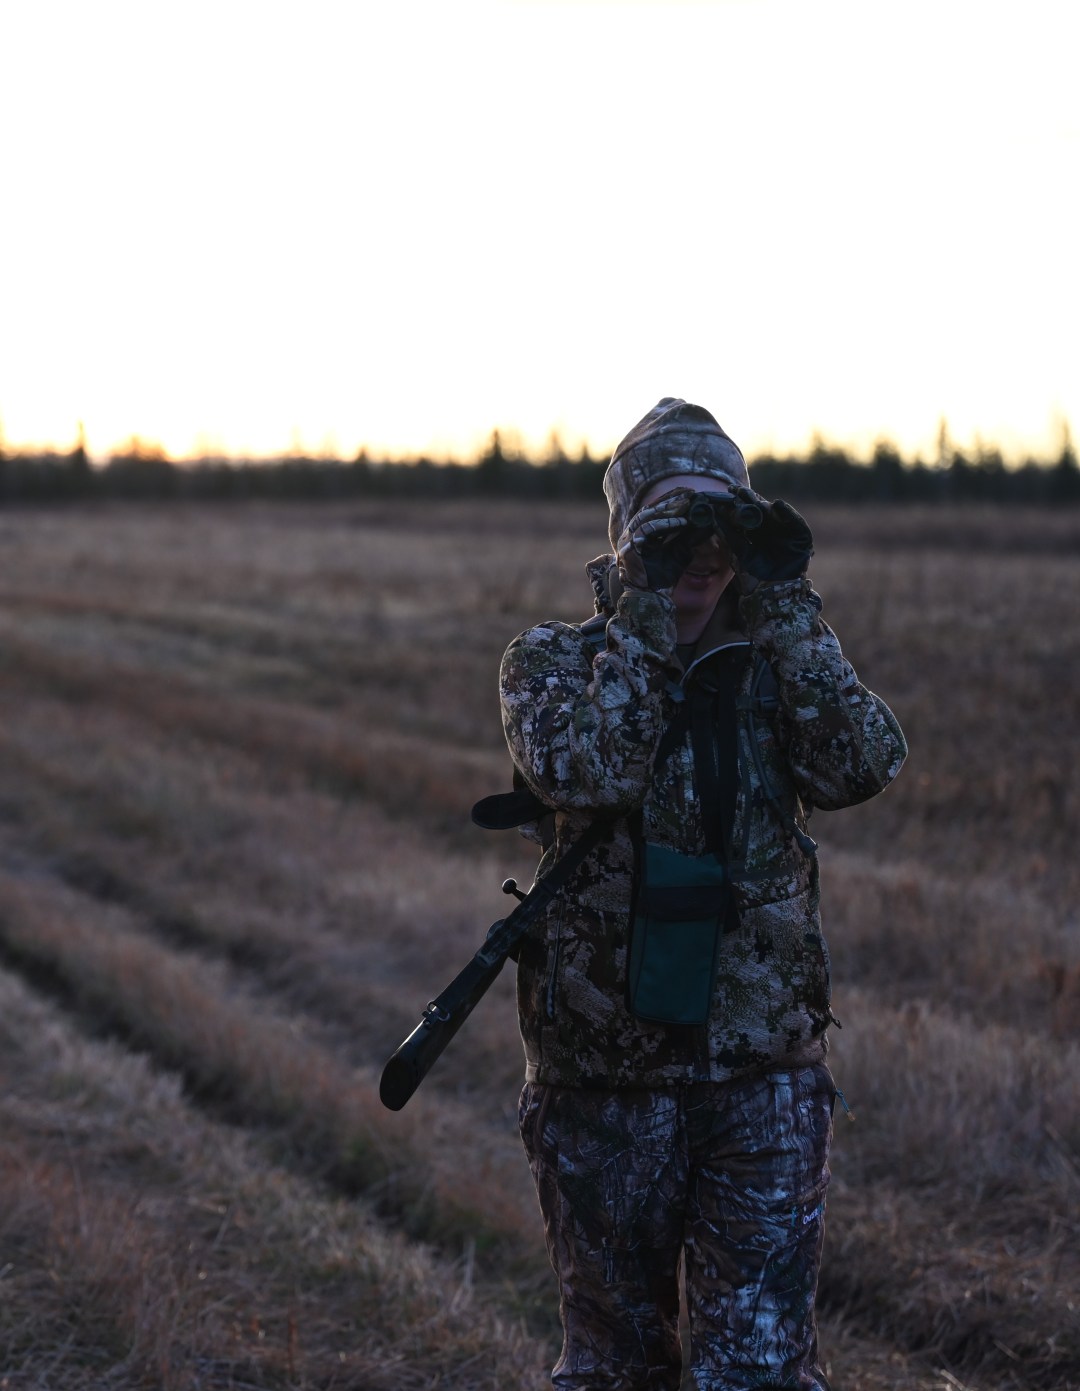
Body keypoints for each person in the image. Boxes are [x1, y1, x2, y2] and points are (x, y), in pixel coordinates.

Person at [498, 398, 908, 1391]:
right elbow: (591, 766)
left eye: (717, 530)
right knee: (616, 1366)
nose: (697, 556)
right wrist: (641, 613)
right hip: (603, 1079)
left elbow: (863, 761)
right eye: (669, 528)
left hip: (763, 1072)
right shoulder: (552, 661)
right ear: (625, 534)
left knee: (759, 1369)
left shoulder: (779, 663)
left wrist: (786, 603)